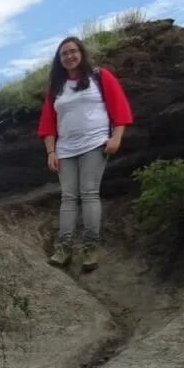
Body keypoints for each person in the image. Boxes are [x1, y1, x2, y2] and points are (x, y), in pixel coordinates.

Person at [37, 35, 134, 272]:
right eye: (63, 54)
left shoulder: (100, 77)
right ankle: (64, 248)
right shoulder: (56, 88)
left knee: (89, 193)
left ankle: (91, 247)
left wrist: (116, 138)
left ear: (81, 53)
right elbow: (48, 122)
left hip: (95, 143)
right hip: (65, 149)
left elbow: (120, 107)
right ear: (59, 60)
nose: (69, 56)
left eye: (72, 51)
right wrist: (51, 151)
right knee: (68, 198)